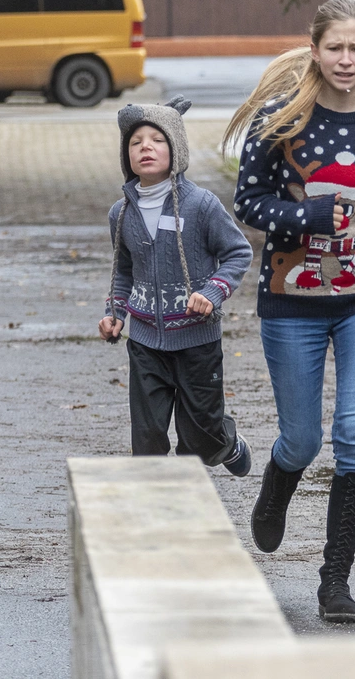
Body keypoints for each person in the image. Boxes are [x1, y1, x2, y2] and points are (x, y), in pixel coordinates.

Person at [225, 0, 355, 624]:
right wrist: (301, 214)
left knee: (353, 433)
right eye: (335, 47)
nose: (346, 58)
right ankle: (278, 483)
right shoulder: (281, 121)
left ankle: (335, 581)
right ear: (315, 49)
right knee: (303, 439)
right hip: (292, 298)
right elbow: (246, 202)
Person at [102, 96, 254, 477]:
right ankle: (160, 517)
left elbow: (238, 252)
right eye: (136, 142)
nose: (146, 148)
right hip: (145, 344)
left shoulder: (201, 205)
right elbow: (123, 271)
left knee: (199, 441)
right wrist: (114, 314)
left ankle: (226, 442)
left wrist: (213, 291)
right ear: (127, 155)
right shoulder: (120, 214)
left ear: (177, 148)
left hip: (196, 341)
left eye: (157, 139)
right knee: (148, 440)